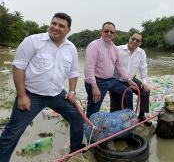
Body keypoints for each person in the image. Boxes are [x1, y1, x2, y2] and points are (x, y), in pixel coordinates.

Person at [0, 13, 85, 162]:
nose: (56, 27)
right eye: (54, 23)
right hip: (32, 94)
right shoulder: (33, 41)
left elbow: (74, 72)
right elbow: (18, 67)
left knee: (77, 118)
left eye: (61, 26)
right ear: (50, 24)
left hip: (57, 94)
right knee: (12, 133)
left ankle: (76, 152)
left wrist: (72, 91)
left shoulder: (71, 48)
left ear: (68, 30)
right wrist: (21, 95)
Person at [84, 22, 138, 118]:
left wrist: (129, 80)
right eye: (106, 31)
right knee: (94, 110)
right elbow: (89, 67)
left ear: (114, 34)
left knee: (127, 93)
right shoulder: (94, 45)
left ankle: (129, 118)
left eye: (111, 32)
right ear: (102, 32)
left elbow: (119, 66)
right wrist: (94, 86)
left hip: (110, 80)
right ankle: (89, 129)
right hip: (97, 82)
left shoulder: (114, 48)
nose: (109, 33)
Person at [112, 33, 151, 125]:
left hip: (132, 79)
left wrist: (144, 82)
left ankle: (141, 116)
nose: (135, 41)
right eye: (133, 39)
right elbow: (113, 65)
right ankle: (117, 123)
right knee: (117, 103)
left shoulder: (141, 52)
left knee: (145, 92)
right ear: (129, 38)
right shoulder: (118, 49)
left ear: (140, 43)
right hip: (117, 80)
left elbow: (143, 68)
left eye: (138, 40)